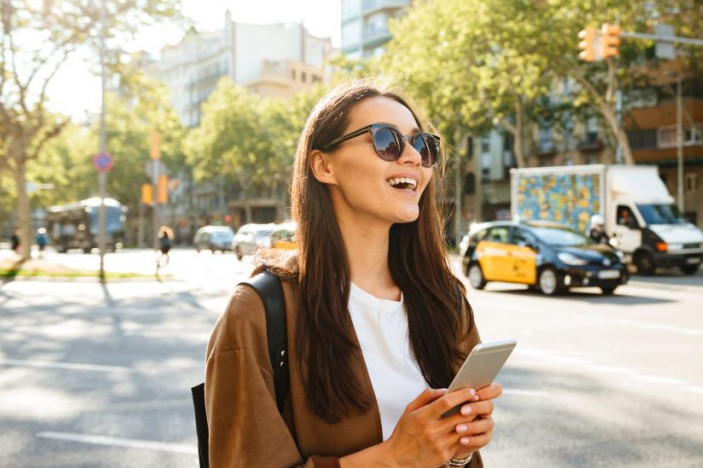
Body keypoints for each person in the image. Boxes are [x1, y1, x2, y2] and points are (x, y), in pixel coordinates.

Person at [204, 81, 502, 467]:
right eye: (387, 141)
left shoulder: (446, 299)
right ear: (324, 165)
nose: (413, 156)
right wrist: (393, 458)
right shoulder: (258, 312)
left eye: (422, 145)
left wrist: (456, 450)